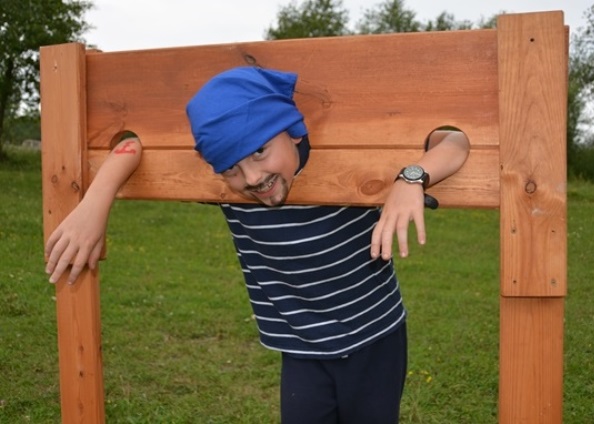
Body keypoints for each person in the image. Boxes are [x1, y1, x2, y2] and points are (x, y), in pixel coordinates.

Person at [45, 66, 470, 424]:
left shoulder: (356, 165)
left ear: (295, 131)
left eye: (261, 151)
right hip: (299, 349)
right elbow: (132, 144)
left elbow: (457, 138)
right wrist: (93, 206)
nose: (251, 178)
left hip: (374, 336)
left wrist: (411, 178)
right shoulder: (232, 193)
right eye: (230, 168)